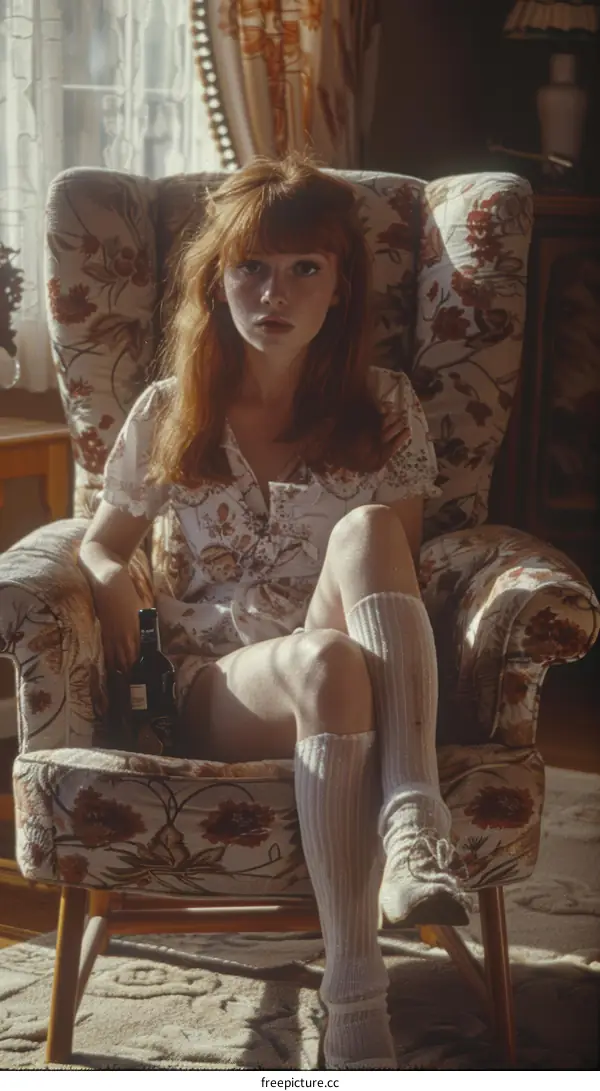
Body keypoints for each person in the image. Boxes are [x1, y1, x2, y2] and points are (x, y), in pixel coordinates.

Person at [78, 152, 470, 1071]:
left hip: (345, 668)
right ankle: (360, 990)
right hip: (216, 685)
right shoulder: (170, 408)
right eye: (252, 266)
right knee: (318, 661)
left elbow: (395, 570)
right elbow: (102, 542)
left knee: (363, 549)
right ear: (218, 281)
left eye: (305, 269)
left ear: (339, 288)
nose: (275, 291)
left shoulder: (387, 408)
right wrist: (126, 629)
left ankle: (409, 832)